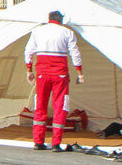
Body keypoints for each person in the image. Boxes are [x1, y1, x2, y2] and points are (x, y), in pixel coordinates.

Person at [24, 9, 84, 150]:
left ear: (49, 18)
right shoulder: (67, 33)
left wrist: (29, 70)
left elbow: (29, 51)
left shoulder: (37, 31)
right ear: (60, 20)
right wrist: (79, 72)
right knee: (60, 107)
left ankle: (38, 141)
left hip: (42, 73)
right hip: (60, 74)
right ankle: (56, 143)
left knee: (40, 106)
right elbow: (75, 53)